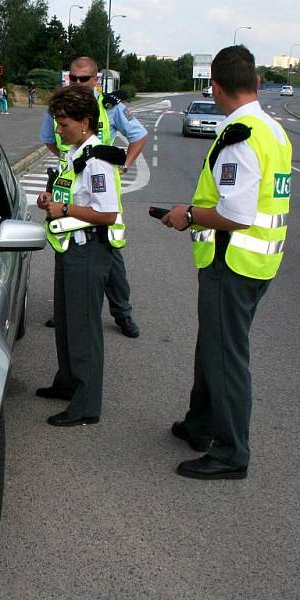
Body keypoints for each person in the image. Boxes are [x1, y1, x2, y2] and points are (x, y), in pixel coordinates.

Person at [161, 45, 291, 480]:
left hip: (232, 262)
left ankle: (232, 452)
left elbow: (236, 214)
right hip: (258, 261)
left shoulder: (240, 136)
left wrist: (189, 216)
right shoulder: (272, 130)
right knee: (214, 346)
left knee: (226, 356)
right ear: (256, 83)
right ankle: (201, 423)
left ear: (214, 88)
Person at [34, 85, 125, 427]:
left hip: (88, 250)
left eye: (64, 123)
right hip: (70, 247)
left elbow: (107, 213)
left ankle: (86, 404)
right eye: (57, 122)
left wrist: (65, 207)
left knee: (84, 329)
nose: (58, 130)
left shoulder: (97, 159)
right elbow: (67, 193)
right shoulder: (74, 154)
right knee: (67, 321)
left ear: (85, 122)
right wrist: (50, 200)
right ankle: (67, 382)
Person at [40, 56, 147, 339]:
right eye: (73, 78)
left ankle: (123, 313)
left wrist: (122, 165)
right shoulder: (60, 107)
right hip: (72, 187)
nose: (77, 83)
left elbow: (139, 136)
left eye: (83, 79)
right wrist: (69, 160)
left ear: (96, 79)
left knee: (109, 253)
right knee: (67, 248)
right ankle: (67, 309)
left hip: (99, 189)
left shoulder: (110, 106)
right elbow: (49, 140)